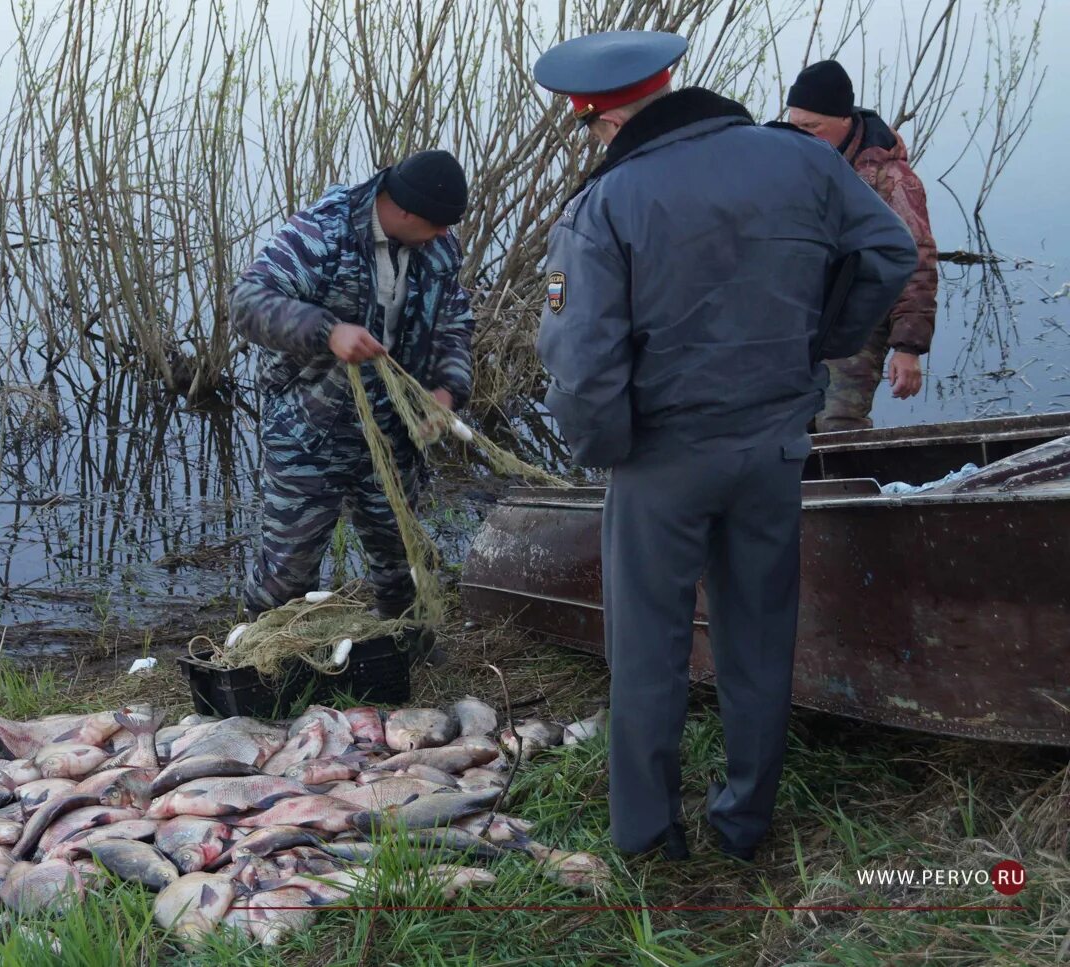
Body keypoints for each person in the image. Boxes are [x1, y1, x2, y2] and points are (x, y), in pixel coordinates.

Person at [532, 31, 917, 861]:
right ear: (672, 86)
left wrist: (610, 449)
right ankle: (744, 821)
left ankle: (647, 838)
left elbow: (582, 358)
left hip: (662, 458)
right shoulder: (804, 162)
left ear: (599, 118)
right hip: (774, 443)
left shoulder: (607, 202)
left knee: (648, 650)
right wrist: (815, 344)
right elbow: (889, 253)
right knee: (758, 635)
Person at [229, 151, 475, 619]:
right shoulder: (321, 233)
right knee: (287, 570)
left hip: (393, 429)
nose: (445, 235)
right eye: (438, 224)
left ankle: (406, 649)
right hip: (308, 428)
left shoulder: (439, 248)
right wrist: (327, 331)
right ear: (403, 211)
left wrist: (445, 392)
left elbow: (454, 323)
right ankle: (263, 666)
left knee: (402, 558)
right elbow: (247, 302)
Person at [787, 59, 939, 431]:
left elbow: (917, 261)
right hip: (799, 315)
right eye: (794, 127)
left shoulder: (893, 179)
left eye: (812, 127)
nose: (801, 136)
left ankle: (856, 484)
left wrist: (908, 347)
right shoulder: (789, 165)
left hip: (861, 316)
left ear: (844, 120)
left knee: (838, 419)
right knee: (787, 419)